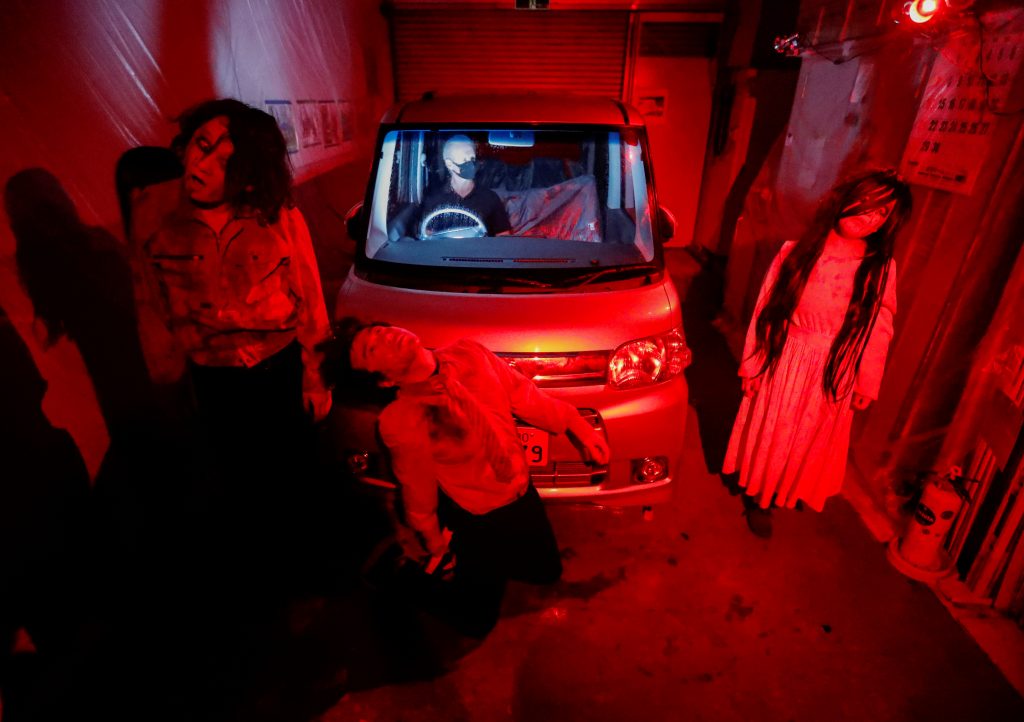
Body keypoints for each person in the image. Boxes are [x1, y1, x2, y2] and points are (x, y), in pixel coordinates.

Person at [129, 98, 332, 584]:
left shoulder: (274, 213)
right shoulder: (153, 211)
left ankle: (301, 572)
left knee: (291, 478)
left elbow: (308, 294)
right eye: (201, 145)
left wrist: (317, 378)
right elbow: (149, 306)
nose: (202, 164)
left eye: (224, 160)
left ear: (246, 172)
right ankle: (251, 581)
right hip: (211, 375)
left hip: (276, 365)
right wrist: (166, 383)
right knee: (232, 483)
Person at [318, 319, 610, 636]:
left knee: (545, 571)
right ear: (384, 382)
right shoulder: (401, 420)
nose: (384, 336)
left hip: (520, 493)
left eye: (378, 331)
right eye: (371, 349)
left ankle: (493, 564)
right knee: (476, 620)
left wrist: (573, 422)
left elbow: (524, 395)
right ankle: (396, 574)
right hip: (476, 518)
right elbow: (418, 488)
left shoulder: (470, 354)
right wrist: (433, 542)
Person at [723, 169, 912, 538]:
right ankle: (760, 498)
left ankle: (785, 488)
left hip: (835, 368)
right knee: (774, 430)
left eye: (882, 214)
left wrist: (866, 381)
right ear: (844, 199)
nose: (871, 218)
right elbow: (767, 310)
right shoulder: (796, 252)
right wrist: (755, 364)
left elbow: (878, 331)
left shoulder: (880, 269)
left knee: (808, 435)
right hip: (787, 357)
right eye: (869, 205)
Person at [419, 134, 511, 238]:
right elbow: (427, 238)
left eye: (472, 158)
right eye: (464, 159)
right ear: (450, 164)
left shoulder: (490, 198)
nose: (470, 164)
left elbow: (504, 237)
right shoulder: (433, 199)